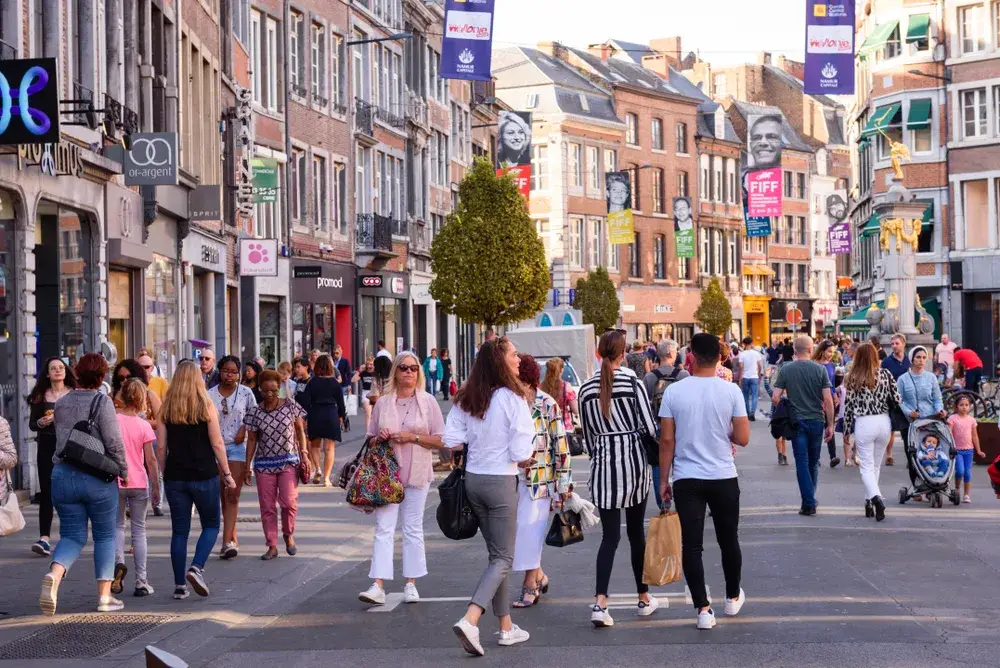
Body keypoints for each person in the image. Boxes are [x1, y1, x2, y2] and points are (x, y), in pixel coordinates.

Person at [443, 337, 535, 656]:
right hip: (500, 479)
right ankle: (471, 618)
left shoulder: (468, 396)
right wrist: (524, 457)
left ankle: (506, 627)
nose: (519, 358)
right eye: (513, 354)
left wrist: (478, 438)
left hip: (474, 478)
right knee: (504, 557)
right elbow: (521, 447)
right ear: (500, 361)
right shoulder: (512, 398)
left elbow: (451, 438)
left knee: (497, 555)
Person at [659, 333, 750, 630]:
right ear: (719, 357)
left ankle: (703, 609)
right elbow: (743, 438)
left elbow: (667, 440)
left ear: (692, 358)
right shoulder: (731, 391)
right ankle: (733, 596)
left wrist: (664, 479)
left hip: (687, 478)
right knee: (728, 540)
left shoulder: (674, 392)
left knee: (692, 545)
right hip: (723, 475)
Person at [579, 330, 660, 628]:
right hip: (633, 462)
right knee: (636, 534)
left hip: (604, 466)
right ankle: (643, 597)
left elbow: (587, 437)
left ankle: (600, 602)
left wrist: (601, 449)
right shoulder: (632, 382)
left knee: (609, 538)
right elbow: (650, 427)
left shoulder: (586, 389)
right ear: (623, 353)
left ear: (599, 353)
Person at [40, 353, 128, 615]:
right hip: (96, 477)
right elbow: (113, 442)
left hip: (63, 476)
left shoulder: (62, 403)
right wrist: (124, 469)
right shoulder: (103, 402)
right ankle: (104, 597)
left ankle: (54, 575)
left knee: (71, 535)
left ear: (75, 373)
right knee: (104, 535)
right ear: (102, 377)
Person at [358, 352, 445, 606]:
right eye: (404, 368)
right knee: (384, 527)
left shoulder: (428, 402)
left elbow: (441, 439)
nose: (409, 372)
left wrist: (412, 437)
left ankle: (411, 583)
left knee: (412, 528)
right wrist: (381, 436)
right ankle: (378, 584)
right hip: (387, 473)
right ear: (395, 371)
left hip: (417, 472)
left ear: (419, 373)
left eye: (414, 368)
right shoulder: (384, 403)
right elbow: (370, 437)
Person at [157, 361, 236, 600]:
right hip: (204, 474)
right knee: (211, 524)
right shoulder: (206, 405)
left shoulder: (166, 408)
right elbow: (217, 443)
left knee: (179, 531)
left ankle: (180, 586)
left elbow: (161, 446)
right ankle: (197, 567)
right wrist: (228, 473)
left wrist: (163, 473)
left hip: (176, 476)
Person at [511, 353, 572, 608]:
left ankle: (530, 585)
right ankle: (540, 575)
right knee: (520, 533)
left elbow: (561, 445)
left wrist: (563, 486)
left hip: (540, 480)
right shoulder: (508, 403)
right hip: (510, 479)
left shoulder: (546, 404)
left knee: (530, 531)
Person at [243, 369, 309, 560]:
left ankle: (288, 534)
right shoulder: (255, 412)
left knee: (288, 503)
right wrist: (247, 465)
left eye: (273, 390)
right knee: (267, 506)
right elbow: (252, 440)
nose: (270, 395)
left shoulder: (290, 405)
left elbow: (300, 431)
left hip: (288, 460)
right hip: (263, 464)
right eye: (265, 391)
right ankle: (271, 544)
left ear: (279, 388)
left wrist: (304, 454)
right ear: (260, 390)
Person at [771, 335, 835, 516]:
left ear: (794, 350)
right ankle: (810, 499)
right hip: (817, 420)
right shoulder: (820, 370)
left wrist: (785, 402)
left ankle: (808, 502)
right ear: (810, 349)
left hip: (796, 421)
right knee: (813, 463)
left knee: (801, 462)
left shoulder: (786, 369)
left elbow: (775, 398)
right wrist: (830, 424)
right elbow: (828, 400)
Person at [111, 379, 159, 597]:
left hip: (116, 480)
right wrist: (156, 485)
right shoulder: (144, 425)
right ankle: (142, 581)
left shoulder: (113, 421)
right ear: (141, 399)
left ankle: (118, 562)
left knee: (117, 526)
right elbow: (151, 460)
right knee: (139, 530)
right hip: (139, 482)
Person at [843, 343, 900, 522]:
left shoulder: (853, 377)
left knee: (866, 466)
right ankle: (869, 501)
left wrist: (846, 431)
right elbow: (897, 398)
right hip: (883, 421)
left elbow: (849, 406)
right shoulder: (886, 374)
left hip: (864, 422)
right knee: (875, 465)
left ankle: (876, 498)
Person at [208, 356, 257, 559]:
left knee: (233, 493)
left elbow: (254, 415)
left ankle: (226, 542)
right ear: (220, 371)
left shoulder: (246, 393)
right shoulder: (209, 394)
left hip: (238, 447)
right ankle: (232, 535)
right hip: (216, 448)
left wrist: (244, 428)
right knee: (223, 494)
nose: (230, 375)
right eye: (226, 371)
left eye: (234, 371)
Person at [27, 356, 76, 557]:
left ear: (65, 372)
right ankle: (44, 538)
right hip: (47, 445)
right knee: (47, 491)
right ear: (47, 374)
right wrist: (42, 422)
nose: (57, 370)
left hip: (70, 447)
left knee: (68, 491)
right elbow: (32, 424)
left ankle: (69, 536)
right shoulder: (40, 396)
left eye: (60, 367)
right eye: (53, 368)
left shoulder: (74, 395)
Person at [643, 340, 689, 509]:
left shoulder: (649, 377)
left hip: (657, 426)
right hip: (680, 426)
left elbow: (644, 404)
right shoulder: (683, 376)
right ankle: (683, 500)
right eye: (676, 352)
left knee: (658, 463)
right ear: (670, 354)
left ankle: (663, 503)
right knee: (680, 463)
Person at [298, 354, 346, 486]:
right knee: (329, 448)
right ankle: (326, 478)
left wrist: (305, 417)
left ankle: (318, 469)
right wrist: (341, 416)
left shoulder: (312, 382)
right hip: (331, 414)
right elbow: (341, 402)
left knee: (315, 445)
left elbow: (307, 402)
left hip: (315, 413)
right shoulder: (335, 383)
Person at [948, 395, 985, 504]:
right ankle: (957, 488)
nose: (964, 407)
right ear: (956, 406)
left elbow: (975, 436)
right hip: (957, 450)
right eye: (961, 405)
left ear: (969, 407)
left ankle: (966, 494)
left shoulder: (972, 420)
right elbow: (949, 434)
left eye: (966, 405)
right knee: (960, 471)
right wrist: (950, 447)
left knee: (967, 473)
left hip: (969, 450)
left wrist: (978, 450)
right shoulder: (952, 418)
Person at [812, 340, 841, 468]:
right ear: (822, 350)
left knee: (830, 427)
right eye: (829, 351)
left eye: (832, 352)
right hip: (816, 401)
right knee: (818, 430)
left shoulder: (832, 366)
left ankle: (833, 456)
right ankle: (815, 457)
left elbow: (832, 385)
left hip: (829, 401)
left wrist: (835, 396)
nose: (830, 354)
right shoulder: (813, 365)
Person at [112, 359, 162, 431]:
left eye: (129, 377)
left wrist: (135, 421)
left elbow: (161, 423)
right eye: (121, 378)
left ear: (137, 377)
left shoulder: (149, 395)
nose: (125, 381)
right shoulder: (111, 398)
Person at [542, 357, 579, 434]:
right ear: (561, 370)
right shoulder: (566, 387)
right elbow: (575, 410)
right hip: (564, 428)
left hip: (546, 428)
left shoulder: (541, 387)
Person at [737, 337, 764, 421]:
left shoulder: (742, 354)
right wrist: (759, 373)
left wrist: (740, 378)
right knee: (755, 395)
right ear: (751, 343)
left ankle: (748, 413)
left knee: (746, 396)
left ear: (744, 344)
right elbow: (760, 365)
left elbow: (741, 367)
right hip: (754, 376)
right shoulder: (756, 354)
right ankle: (753, 412)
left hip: (745, 377)